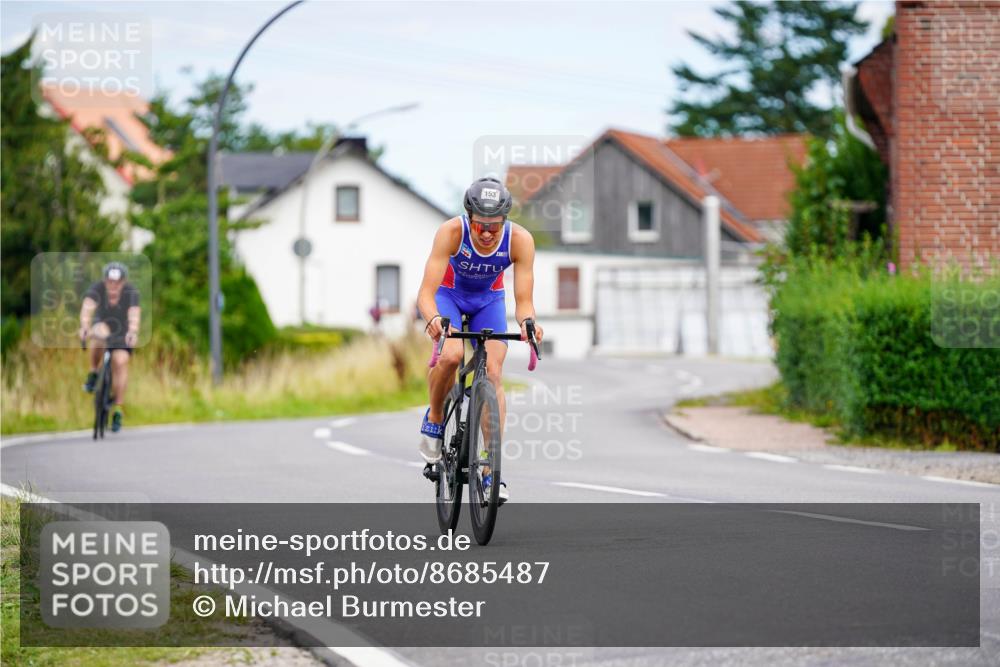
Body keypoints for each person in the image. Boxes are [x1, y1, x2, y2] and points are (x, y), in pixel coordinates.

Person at [416, 177, 544, 503]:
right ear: (469, 218)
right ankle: (435, 416)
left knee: (494, 373)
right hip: (449, 297)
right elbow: (426, 294)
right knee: (451, 355)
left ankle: (489, 469)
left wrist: (528, 323)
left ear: (505, 221)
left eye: (494, 227)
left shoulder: (520, 241)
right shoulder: (451, 232)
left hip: (489, 301)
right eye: (480, 226)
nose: (487, 233)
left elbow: (524, 301)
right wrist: (433, 319)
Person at [79, 262, 141, 433]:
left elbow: (134, 314)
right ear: (105, 281)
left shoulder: (131, 292)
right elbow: (87, 309)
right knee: (98, 334)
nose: (113, 286)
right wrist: (84, 327)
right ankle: (93, 372)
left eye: (117, 283)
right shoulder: (97, 288)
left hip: (122, 332)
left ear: (123, 282)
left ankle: (118, 409)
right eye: (110, 282)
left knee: (121, 362)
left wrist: (133, 331)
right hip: (103, 325)